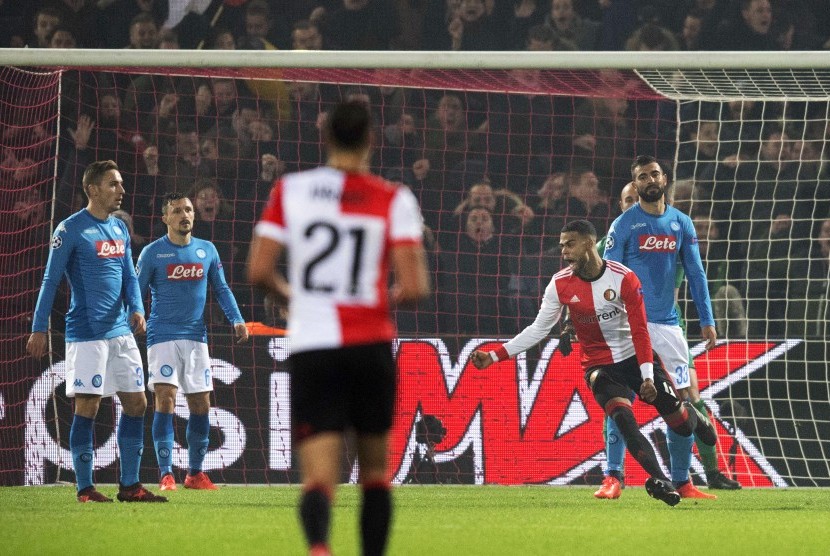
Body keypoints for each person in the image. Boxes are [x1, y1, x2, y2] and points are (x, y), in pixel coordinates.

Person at [247, 100, 430, 556]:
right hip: (369, 346)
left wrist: (299, 299)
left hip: (313, 346)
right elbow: (414, 286)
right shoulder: (395, 197)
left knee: (318, 477)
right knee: (373, 475)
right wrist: (372, 301)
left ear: (325, 138)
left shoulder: (291, 190)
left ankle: (320, 550)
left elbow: (258, 272)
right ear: (371, 139)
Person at [470, 219, 717, 507]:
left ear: (589, 243)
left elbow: (640, 330)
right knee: (624, 421)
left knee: (680, 424)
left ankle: (689, 413)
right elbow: (538, 329)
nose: (563, 251)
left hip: (636, 358)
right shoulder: (560, 284)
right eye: (561, 245)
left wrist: (648, 376)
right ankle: (662, 481)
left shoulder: (623, 278)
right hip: (599, 366)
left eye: (570, 244)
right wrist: (494, 356)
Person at [26, 159, 167, 503]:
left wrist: (136, 306)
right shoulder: (70, 229)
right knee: (87, 407)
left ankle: (130, 486)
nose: (121, 190)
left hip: (121, 333)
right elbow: (50, 279)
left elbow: (130, 276)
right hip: (86, 334)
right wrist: (39, 327)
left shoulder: (119, 229)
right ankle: (85, 489)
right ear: (92, 189)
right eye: (113, 184)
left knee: (137, 403)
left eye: (120, 183)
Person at [594, 182, 741, 500]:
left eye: (639, 199)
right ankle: (613, 476)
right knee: (621, 404)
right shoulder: (612, 240)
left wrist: (707, 319)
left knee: (689, 399)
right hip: (624, 331)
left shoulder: (670, 231)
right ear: (622, 207)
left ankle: (702, 476)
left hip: (668, 328)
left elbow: (693, 272)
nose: (636, 205)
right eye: (629, 201)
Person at [136, 192, 249, 492]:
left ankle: (195, 474)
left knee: (201, 405)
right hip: (162, 335)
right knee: (166, 399)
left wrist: (237, 318)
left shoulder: (207, 250)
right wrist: (133, 316)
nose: (184, 215)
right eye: (176, 211)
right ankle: (165, 474)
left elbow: (222, 289)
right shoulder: (152, 253)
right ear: (165, 218)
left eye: (188, 210)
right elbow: (136, 291)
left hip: (197, 338)